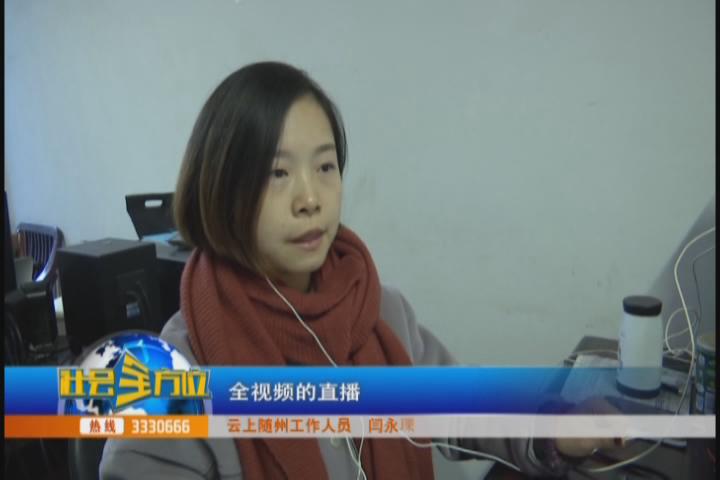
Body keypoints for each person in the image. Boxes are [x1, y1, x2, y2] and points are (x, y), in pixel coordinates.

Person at [100, 61, 620, 479]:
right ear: (221, 189)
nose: (310, 198)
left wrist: (557, 427)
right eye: (277, 173)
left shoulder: (378, 310)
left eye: (325, 167)